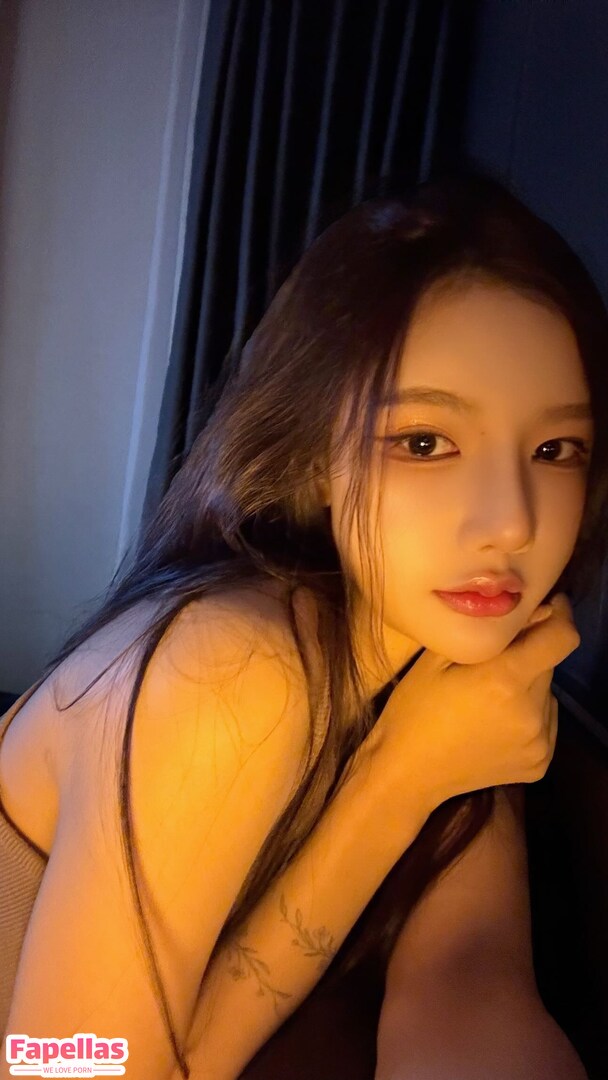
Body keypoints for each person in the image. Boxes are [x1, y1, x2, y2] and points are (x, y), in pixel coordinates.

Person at [0, 169, 604, 1080]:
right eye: (425, 443)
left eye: (555, 449)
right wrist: (397, 783)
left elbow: (469, 980)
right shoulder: (230, 667)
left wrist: (424, 769)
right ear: (315, 455)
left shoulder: (441, 658)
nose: (513, 521)